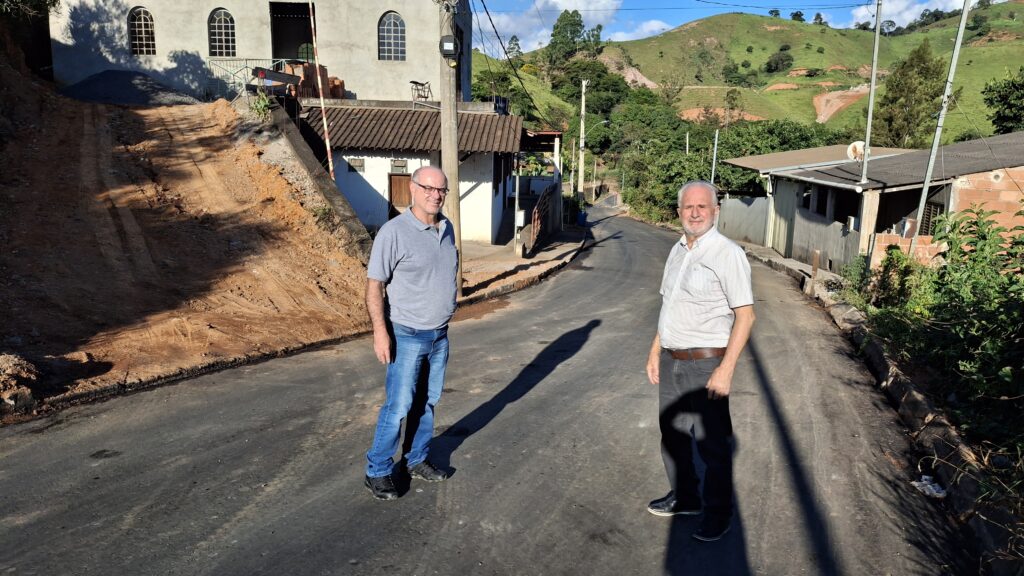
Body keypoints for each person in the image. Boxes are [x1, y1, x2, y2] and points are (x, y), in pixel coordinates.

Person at [645, 180, 755, 542]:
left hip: (706, 364)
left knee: (712, 444)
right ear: (679, 211)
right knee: (672, 434)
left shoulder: (727, 253)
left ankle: (718, 514)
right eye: (688, 207)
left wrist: (725, 370)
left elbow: (746, 316)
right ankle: (686, 497)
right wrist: (655, 350)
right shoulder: (677, 250)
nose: (694, 213)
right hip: (672, 359)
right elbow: (669, 304)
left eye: (702, 207)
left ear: (715, 211)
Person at [364, 165, 459, 501]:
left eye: (441, 189)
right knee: (399, 406)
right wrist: (380, 332)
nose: (436, 195)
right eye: (429, 188)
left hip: (439, 336)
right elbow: (375, 286)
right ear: (413, 189)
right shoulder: (394, 232)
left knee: (427, 402)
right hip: (406, 334)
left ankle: (416, 458)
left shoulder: (447, 228)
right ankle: (377, 470)